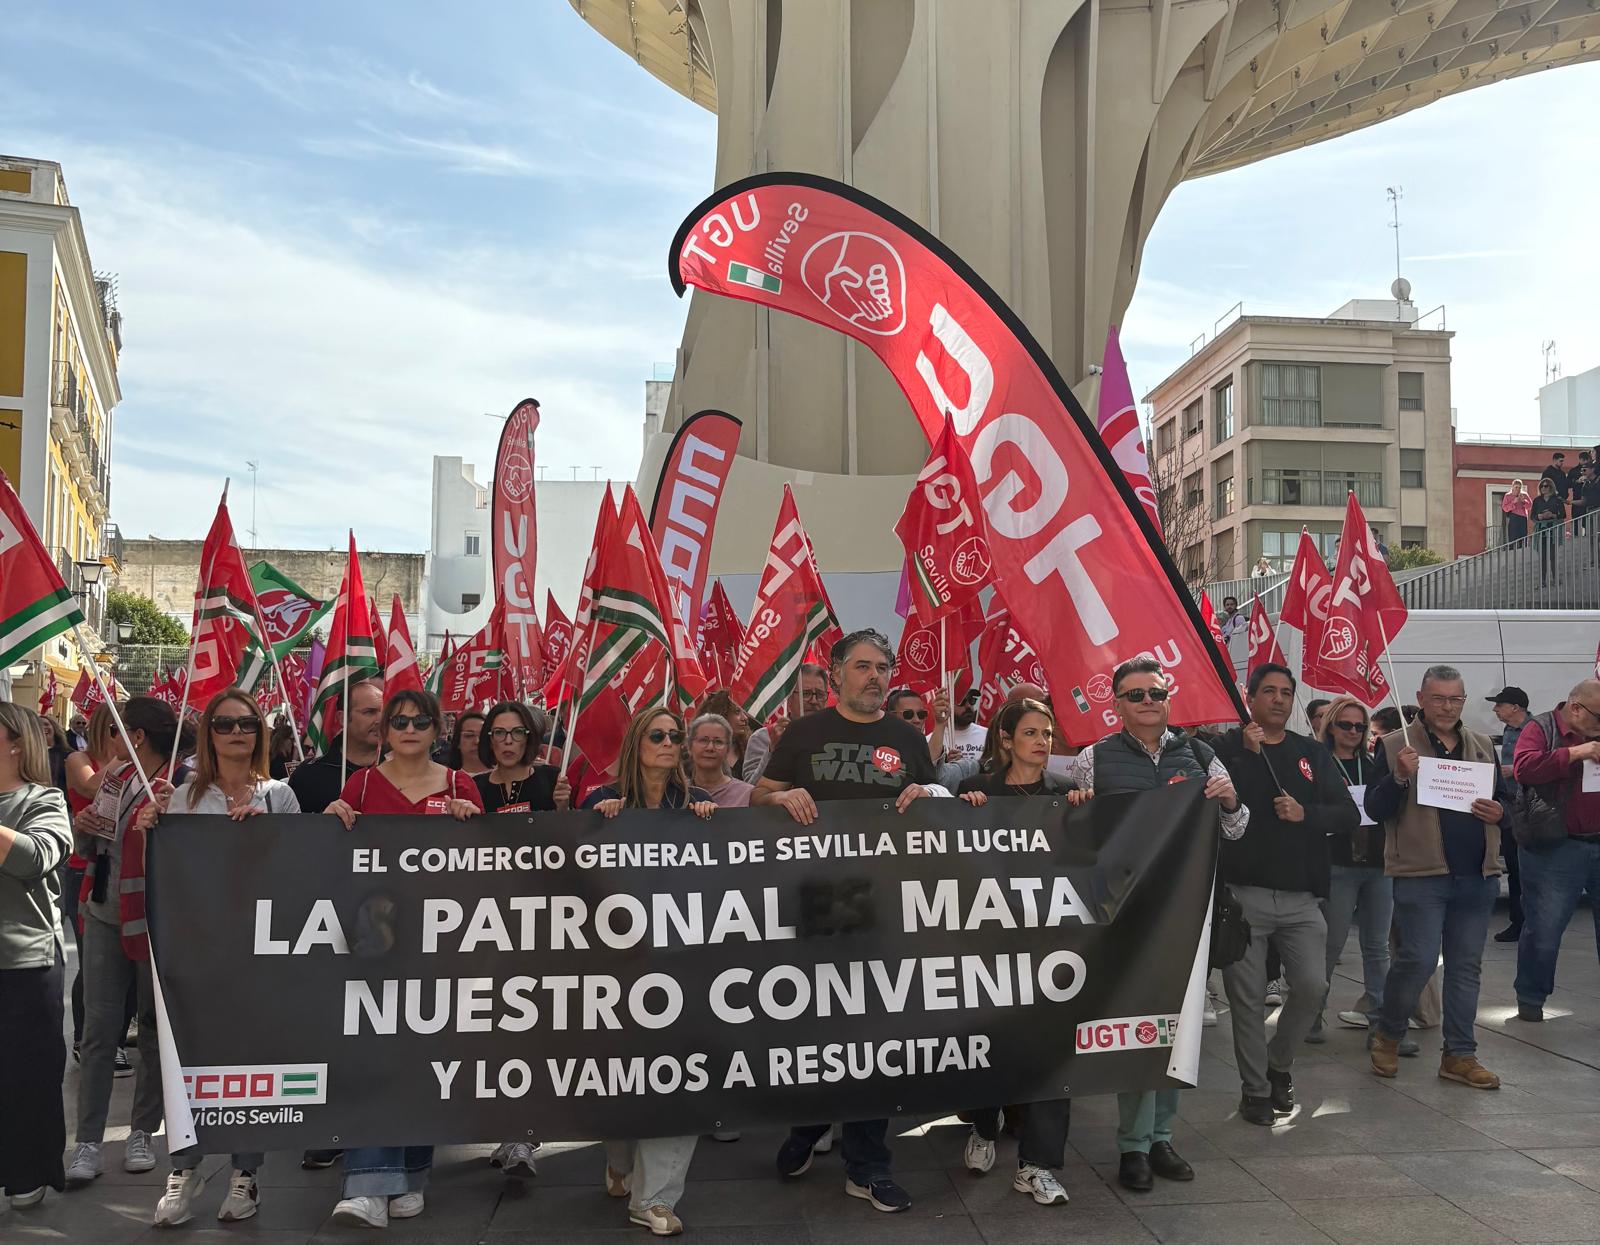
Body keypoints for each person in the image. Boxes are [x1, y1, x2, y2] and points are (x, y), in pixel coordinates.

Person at [755, 629, 949, 1215]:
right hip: (817, 908)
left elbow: (930, 800)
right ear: (836, 672)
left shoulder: (906, 736)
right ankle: (809, 1125)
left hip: (889, 908)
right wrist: (779, 800)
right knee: (818, 1031)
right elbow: (758, 796)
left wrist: (933, 794)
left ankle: (867, 1166)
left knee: (875, 1038)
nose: (875, 676)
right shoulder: (805, 734)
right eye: (862, 666)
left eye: (883, 667)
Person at [1066, 657, 1245, 1188]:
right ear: (1116, 704)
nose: (1148, 702)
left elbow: (1236, 829)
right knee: (1140, 1030)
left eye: (1156, 693)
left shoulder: (1203, 754)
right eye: (1135, 694)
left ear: (1169, 699)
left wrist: (1232, 802)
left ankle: (1161, 1139)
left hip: (1188, 912)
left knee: (1179, 1029)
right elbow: (1081, 839)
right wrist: (1078, 810)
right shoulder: (1093, 759)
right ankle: (1133, 1146)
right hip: (1126, 913)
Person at [135, 688, 299, 1226]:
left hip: (258, 955)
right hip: (196, 952)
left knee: (250, 1063)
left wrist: (268, 838)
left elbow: (303, 873)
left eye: (246, 724)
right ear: (208, 734)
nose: (236, 733)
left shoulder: (281, 797)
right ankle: (181, 1172)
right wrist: (150, 830)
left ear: (260, 734)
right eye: (224, 724)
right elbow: (167, 872)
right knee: (189, 1062)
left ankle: (245, 1175)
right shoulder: (179, 798)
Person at [324, 688, 481, 1229]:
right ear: (384, 730)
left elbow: (486, 869)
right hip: (377, 942)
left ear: (438, 729)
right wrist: (333, 817)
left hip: (443, 945)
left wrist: (472, 822)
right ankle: (367, 1185)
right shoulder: (362, 783)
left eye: (420, 720)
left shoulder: (462, 785)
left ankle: (413, 1169)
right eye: (399, 720)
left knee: (423, 1058)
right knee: (376, 1055)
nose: (409, 728)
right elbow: (338, 857)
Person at [583, 707, 714, 1237]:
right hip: (617, 969)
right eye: (657, 735)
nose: (668, 743)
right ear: (637, 743)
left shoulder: (696, 805)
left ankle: (654, 1199)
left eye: (674, 736)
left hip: (682, 968)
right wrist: (596, 822)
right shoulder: (601, 801)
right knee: (623, 1084)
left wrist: (715, 826)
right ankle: (620, 1164)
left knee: (681, 1078)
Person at [1212, 664, 1355, 1126]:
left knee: (1313, 987)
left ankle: (1278, 1064)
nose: (1278, 699)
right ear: (1249, 697)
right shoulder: (1224, 750)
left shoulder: (1310, 751)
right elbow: (1216, 804)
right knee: (1248, 999)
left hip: (1301, 898)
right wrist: (1247, 756)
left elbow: (1347, 814)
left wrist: (1305, 813)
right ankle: (1255, 1090)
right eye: (1268, 691)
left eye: (1286, 692)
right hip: (1242, 896)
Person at [952, 697, 1074, 1207]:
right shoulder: (976, 791)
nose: (1042, 742)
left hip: (1050, 948)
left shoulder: (1067, 794)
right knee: (988, 1044)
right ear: (1005, 741)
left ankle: (1036, 1165)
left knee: (1051, 1057)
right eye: (1030, 733)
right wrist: (964, 816)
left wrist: (1088, 813)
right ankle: (983, 1124)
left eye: (1047, 733)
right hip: (989, 945)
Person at [1364, 665, 1508, 1090]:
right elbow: (1375, 809)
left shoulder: (1482, 744)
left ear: (1464, 701)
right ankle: (1389, 1033)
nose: (1447, 707)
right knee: (1418, 959)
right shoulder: (1394, 745)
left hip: (1477, 876)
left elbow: (1504, 802)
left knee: (1466, 967)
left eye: (1455, 699)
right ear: (1421, 699)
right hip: (1421, 874)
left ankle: (1460, 1055)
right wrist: (1399, 777)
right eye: (1439, 698)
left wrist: (1501, 812)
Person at [66, 697, 180, 1186]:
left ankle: (141, 1130)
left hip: (157, 922)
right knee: (98, 1029)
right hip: (103, 914)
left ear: (135, 736)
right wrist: (83, 827)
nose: (108, 742)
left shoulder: (181, 784)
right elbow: (92, 840)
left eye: (116, 732)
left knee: (154, 1030)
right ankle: (87, 1140)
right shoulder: (113, 779)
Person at [1308, 696, 1416, 1052]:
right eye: (1345, 725)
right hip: (1336, 864)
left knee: (1377, 947)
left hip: (1377, 864)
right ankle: (1310, 1014)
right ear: (1331, 726)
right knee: (1330, 944)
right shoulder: (1316, 766)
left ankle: (1381, 1025)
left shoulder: (1374, 766)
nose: (1353, 732)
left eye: (1359, 726)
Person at [0, 703, 74, 1210]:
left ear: (16, 743)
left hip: (24, 961)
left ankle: (27, 1170)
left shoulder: (42, 799)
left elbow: (36, 857)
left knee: (25, 1075)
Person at [1510, 677, 1600, 1023]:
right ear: (1575, 708)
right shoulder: (1541, 727)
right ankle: (1531, 998)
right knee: (1545, 927)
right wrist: (1577, 752)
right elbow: (1524, 769)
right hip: (1556, 846)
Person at [288, 677, 384, 816]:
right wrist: (324, 820)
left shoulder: (403, 770)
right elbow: (290, 832)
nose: (380, 720)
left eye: (384, 712)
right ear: (342, 718)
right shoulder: (308, 775)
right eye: (369, 712)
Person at [1488, 687, 1531, 943]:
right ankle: (1519, 921)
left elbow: (1542, 761)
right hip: (1510, 807)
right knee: (1514, 868)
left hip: (1529, 810)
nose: (1495, 709)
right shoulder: (1508, 731)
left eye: (1499, 704)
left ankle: (1525, 922)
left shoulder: (1534, 729)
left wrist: (1512, 771)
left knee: (1524, 869)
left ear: (1515, 707)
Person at [474, 701, 564, 816]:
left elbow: (568, 831)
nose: (508, 741)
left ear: (528, 738)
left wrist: (562, 808)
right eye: (499, 732)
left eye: (518, 732)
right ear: (490, 740)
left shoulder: (552, 779)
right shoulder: (475, 787)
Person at [741, 662, 828, 782]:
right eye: (806, 694)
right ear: (790, 698)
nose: (814, 701)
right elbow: (751, 787)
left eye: (820, 694)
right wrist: (773, 749)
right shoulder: (763, 737)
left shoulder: (836, 734)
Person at [688, 713, 753, 807]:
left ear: (728, 750)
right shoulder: (677, 793)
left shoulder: (747, 795)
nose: (710, 748)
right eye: (703, 740)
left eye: (718, 742)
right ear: (690, 747)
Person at [942, 688, 987, 766]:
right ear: (946, 704)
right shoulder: (934, 740)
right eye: (961, 701)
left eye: (971, 700)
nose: (968, 706)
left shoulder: (988, 735)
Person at [1532, 476, 1564, 582]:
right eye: (1541, 486)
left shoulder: (1557, 499)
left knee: (1552, 556)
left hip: (1553, 529)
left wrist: (1553, 515)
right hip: (1541, 530)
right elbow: (1532, 516)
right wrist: (1539, 517)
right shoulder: (1537, 500)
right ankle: (1543, 581)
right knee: (1543, 557)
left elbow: (1563, 514)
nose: (1543, 488)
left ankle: (1555, 578)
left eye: (1546, 486)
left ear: (1551, 487)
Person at [448, 709, 488, 777]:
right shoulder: (448, 781)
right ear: (458, 741)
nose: (477, 741)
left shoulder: (505, 777)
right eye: (469, 736)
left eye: (483, 736)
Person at [1501, 479, 1532, 544]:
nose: (1518, 489)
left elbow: (1530, 506)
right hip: (1513, 517)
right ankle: (1512, 551)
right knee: (1513, 537)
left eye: (1519, 487)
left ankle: (1523, 551)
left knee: (1523, 538)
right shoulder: (1508, 495)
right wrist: (1513, 502)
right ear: (1513, 487)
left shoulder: (1524, 495)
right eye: (1516, 487)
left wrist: (1524, 501)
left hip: (1523, 518)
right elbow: (1504, 508)